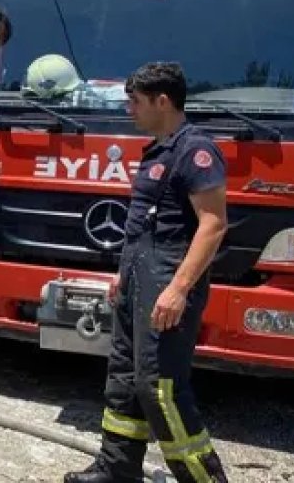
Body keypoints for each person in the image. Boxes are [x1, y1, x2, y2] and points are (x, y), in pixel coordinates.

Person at [65, 62, 230, 483]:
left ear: (162, 101)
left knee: (160, 390)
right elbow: (144, 225)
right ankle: (117, 469)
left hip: (167, 281)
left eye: (135, 102)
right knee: (124, 379)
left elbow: (213, 225)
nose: (128, 110)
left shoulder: (195, 150)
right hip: (138, 279)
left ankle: (204, 479)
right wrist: (124, 274)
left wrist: (177, 288)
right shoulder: (159, 150)